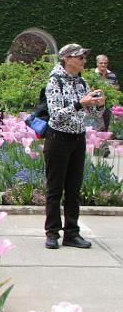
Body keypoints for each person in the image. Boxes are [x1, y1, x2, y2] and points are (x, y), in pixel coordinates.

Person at [44, 43, 105, 250]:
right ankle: (52, 233)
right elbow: (56, 115)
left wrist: (98, 105)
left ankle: (72, 233)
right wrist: (81, 103)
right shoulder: (54, 81)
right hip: (58, 138)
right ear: (68, 59)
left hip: (78, 139)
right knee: (55, 188)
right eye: (80, 57)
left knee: (73, 189)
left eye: (84, 58)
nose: (83, 61)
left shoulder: (82, 82)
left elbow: (93, 115)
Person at [94, 54, 119, 131]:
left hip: (108, 103)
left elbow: (117, 86)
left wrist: (113, 88)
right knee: (98, 126)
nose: (103, 64)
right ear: (97, 63)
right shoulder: (92, 74)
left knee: (108, 123)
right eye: (101, 63)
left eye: (105, 63)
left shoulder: (112, 75)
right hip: (95, 103)